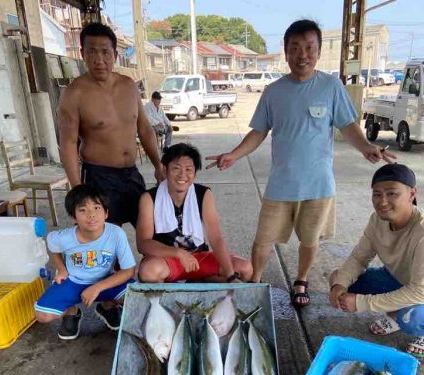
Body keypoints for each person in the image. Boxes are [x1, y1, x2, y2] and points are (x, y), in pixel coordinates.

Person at [205, 19, 395, 307]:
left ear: (318, 51)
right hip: (280, 185)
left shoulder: (331, 86)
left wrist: (366, 147)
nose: (302, 55)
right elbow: (258, 131)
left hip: (318, 186)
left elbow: (347, 126)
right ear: (286, 52)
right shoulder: (273, 91)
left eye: (309, 47)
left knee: (310, 240)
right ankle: (255, 281)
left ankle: (301, 280)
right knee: (263, 240)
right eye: (295, 48)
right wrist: (234, 154)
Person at [58, 22, 164, 228]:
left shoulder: (129, 86)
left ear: (115, 54)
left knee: (152, 231)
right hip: (99, 177)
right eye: (92, 52)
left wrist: (158, 165)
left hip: (131, 173)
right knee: (106, 243)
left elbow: (144, 129)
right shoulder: (74, 93)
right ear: (82, 53)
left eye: (105, 52)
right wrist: (78, 189)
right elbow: (68, 144)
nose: (99, 60)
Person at [329, 163, 424, 359]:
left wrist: (362, 303)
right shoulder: (377, 220)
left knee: (412, 317)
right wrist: (339, 286)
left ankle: (409, 322)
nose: (383, 202)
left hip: (421, 290)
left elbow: (419, 291)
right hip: (396, 277)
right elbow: (358, 257)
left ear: (412, 193)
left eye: (392, 194)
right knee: (338, 277)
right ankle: (395, 313)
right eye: (377, 194)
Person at [136, 143, 252, 283]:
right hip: (166, 260)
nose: (182, 175)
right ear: (165, 170)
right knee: (148, 271)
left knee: (245, 268)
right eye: (176, 168)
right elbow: (143, 244)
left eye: (189, 169)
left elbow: (216, 238)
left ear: (195, 173)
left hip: (199, 258)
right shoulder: (149, 198)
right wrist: (178, 253)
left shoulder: (203, 194)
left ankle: (201, 281)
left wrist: (231, 275)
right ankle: (185, 288)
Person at [34, 185, 136, 340]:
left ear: (106, 213)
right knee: (42, 315)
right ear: (74, 217)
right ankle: (71, 312)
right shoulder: (64, 237)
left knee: (137, 300)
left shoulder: (116, 234)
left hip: (104, 280)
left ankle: (107, 307)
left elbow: (128, 271)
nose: (91, 215)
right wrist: (61, 269)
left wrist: (97, 287)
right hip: (73, 282)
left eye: (97, 208)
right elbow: (52, 245)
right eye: (82, 210)